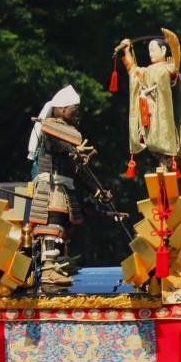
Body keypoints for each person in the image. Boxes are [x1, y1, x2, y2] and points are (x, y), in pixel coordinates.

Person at [27, 84, 114, 289]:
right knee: (52, 222)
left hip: (64, 185)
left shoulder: (72, 133)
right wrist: (73, 150)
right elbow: (57, 144)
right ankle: (48, 268)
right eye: (73, 111)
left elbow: (79, 170)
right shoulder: (49, 126)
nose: (76, 115)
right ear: (61, 108)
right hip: (51, 184)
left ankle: (59, 262)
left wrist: (97, 191)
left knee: (66, 223)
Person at [117, 32, 181, 171]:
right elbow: (133, 71)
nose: (150, 53)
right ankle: (163, 165)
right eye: (149, 50)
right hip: (150, 117)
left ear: (163, 50)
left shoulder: (168, 68)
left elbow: (173, 76)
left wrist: (173, 65)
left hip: (167, 118)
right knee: (155, 146)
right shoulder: (146, 71)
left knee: (171, 144)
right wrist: (127, 51)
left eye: (153, 50)